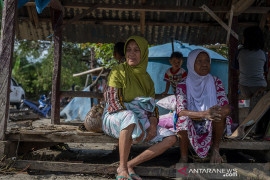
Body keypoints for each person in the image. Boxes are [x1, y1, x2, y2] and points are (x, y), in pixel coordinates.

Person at [103, 36, 177, 180]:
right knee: (129, 116)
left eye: (136, 50)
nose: (131, 53)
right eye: (129, 50)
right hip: (115, 118)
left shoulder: (147, 79)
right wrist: (138, 123)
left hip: (140, 119)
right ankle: (122, 168)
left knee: (171, 138)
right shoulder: (118, 71)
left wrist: (153, 125)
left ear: (143, 54)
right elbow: (114, 102)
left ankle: (130, 164)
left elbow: (152, 108)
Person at [175, 49, 232, 163]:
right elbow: (181, 111)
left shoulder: (215, 81)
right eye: (199, 61)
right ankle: (184, 157)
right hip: (193, 120)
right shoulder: (183, 84)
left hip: (212, 122)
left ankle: (215, 152)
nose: (205, 64)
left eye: (207, 61)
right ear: (191, 64)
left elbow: (226, 107)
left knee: (219, 116)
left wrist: (216, 113)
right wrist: (204, 114)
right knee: (183, 120)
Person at [233, 26, 268, 109]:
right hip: (260, 87)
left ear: (246, 39)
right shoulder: (263, 54)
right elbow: (265, 71)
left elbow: (237, 70)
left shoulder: (239, 53)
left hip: (244, 88)